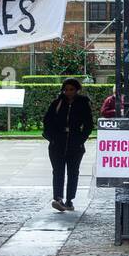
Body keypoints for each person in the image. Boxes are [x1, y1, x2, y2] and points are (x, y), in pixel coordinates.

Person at [41, 78, 94, 213]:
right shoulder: (57, 103)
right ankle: (58, 198)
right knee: (58, 171)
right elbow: (47, 121)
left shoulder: (83, 104)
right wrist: (51, 138)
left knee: (73, 172)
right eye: (66, 90)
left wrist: (81, 139)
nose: (68, 92)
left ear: (77, 90)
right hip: (57, 143)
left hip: (75, 143)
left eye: (71, 89)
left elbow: (88, 124)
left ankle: (70, 199)